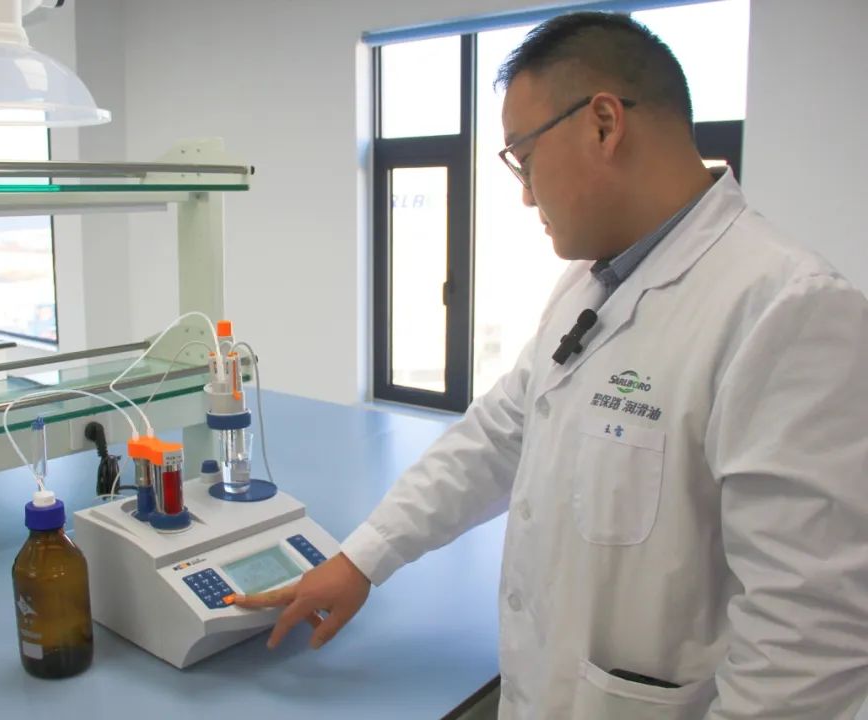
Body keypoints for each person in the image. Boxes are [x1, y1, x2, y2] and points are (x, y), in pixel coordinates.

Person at [236, 11, 868, 719]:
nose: (527, 193)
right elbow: (494, 440)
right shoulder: (589, 285)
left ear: (603, 124)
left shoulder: (789, 311)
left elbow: (807, 646)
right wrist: (362, 559)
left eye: (524, 157)